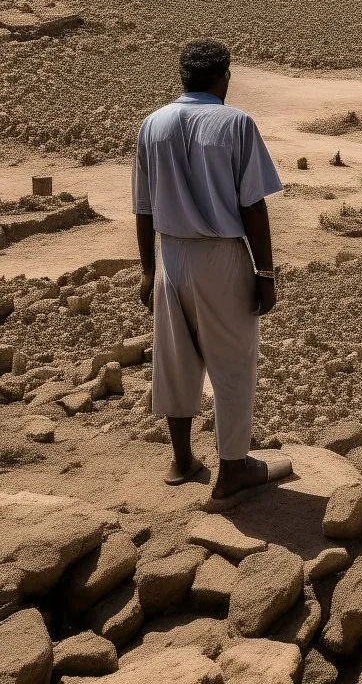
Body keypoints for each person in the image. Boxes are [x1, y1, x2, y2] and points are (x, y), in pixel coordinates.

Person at [132, 39, 284, 502]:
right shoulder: (235, 123)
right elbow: (253, 205)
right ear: (225, 78)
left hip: (170, 255)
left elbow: (143, 209)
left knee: (175, 361)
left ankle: (182, 461)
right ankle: (233, 470)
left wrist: (146, 269)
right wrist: (266, 273)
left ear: (183, 76)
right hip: (220, 255)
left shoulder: (152, 125)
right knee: (233, 363)